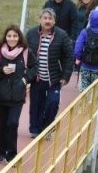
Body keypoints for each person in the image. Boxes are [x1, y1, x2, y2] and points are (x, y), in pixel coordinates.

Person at [0, 25, 38, 163]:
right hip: (1, 95)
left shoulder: (26, 52)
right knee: (2, 124)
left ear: (19, 37)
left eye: (15, 36)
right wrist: (1, 71)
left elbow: (35, 66)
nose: (12, 39)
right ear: (5, 37)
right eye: (9, 36)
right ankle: (1, 151)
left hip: (17, 95)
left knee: (12, 123)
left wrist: (25, 79)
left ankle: (12, 153)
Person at [26, 8, 74, 139]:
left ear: (54, 21)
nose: (47, 21)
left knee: (52, 102)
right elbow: (24, 54)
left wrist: (66, 76)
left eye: (50, 19)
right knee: (36, 104)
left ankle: (47, 128)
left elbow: (69, 56)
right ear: (40, 19)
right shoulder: (31, 34)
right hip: (37, 77)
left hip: (55, 78)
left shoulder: (61, 35)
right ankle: (35, 128)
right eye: (45, 18)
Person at [74, 10, 98, 92]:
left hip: (85, 65)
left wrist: (78, 58)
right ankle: (94, 104)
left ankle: (84, 104)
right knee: (96, 90)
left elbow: (78, 47)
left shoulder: (85, 32)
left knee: (84, 88)